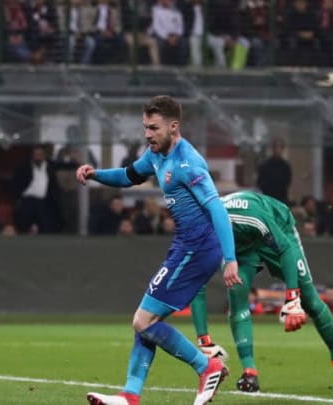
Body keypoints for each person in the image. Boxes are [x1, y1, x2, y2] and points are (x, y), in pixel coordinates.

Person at [77, 95, 240, 405]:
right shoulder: (155, 156)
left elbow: (217, 208)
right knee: (146, 321)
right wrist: (96, 174)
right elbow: (128, 176)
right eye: (145, 127)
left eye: (153, 128)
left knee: (143, 320)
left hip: (198, 247)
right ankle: (130, 395)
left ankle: (208, 367)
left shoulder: (187, 162)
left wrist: (230, 259)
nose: (147, 134)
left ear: (173, 126)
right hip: (184, 246)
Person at [190, 190, 333, 393]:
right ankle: (249, 372)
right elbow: (196, 284)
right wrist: (203, 340)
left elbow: (284, 249)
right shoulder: (198, 232)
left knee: (309, 300)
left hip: (277, 229)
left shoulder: (249, 216)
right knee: (237, 294)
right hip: (241, 245)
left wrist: (292, 299)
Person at [256, 137, 291, 204]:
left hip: (281, 198)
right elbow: (260, 182)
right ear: (273, 148)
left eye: (280, 147)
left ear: (282, 149)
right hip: (268, 198)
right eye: (276, 147)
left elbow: (287, 182)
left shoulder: (285, 166)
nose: (277, 150)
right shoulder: (265, 165)